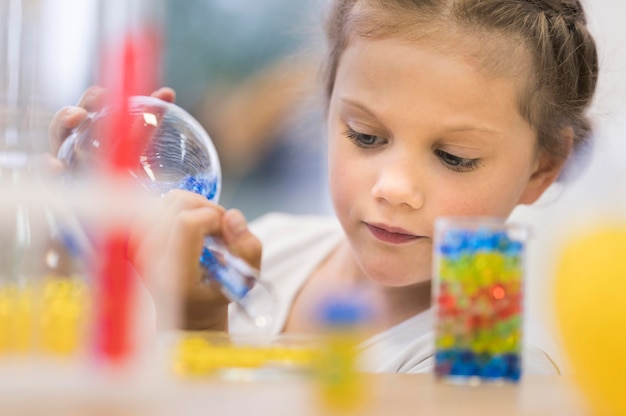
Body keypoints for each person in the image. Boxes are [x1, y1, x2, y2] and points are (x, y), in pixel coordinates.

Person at [48, 0, 598, 374]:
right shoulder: (276, 245)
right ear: (327, 108)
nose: (395, 188)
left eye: (454, 157)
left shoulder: (485, 354)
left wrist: (201, 330)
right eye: (365, 136)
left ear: (541, 169)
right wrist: (82, 253)